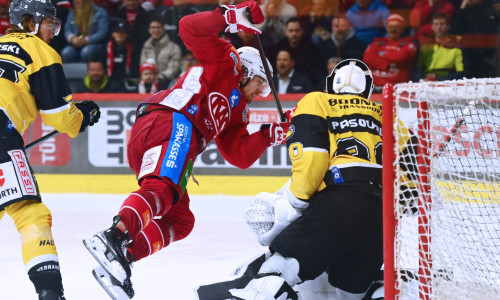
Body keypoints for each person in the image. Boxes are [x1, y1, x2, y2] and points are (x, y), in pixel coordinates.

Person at [82, 2, 290, 298]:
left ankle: (122, 257)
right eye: (260, 84)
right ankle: (113, 236)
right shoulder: (226, 60)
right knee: (162, 190)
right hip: (173, 122)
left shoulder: (238, 111)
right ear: (250, 70)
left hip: (162, 135)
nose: (261, 93)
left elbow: (239, 155)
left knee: (181, 221)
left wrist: (271, 134)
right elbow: (188, 29)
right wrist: (230, 16)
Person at [230, 59, 385, 300]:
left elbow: (312, 158)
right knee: (349, 293)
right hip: (380, 214)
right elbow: (409, 176)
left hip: (338, 203)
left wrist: (297, 200)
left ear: (333, 84)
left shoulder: (318, 100)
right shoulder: (387, 112)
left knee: (279, 269)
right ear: (367, 88)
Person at [0, 0, 100, 298]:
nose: (53, 31)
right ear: (29, 22)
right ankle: (50, 293)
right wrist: (83, 115)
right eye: (48, 23)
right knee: (30, 213)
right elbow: (60, 118)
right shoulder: (40, 51)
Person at [363, 13, 418, 87]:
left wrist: (380, 57)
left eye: (396, 27)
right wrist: (388, 65)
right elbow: (368, 57)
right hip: (374, 85)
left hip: (398, 86)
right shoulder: (378, 41)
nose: (393, 29)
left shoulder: (409, 42)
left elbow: (402, 57)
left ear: (402, 28)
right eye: (390, 27)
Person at [416, 12, 464, 81]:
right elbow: (417, 69)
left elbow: (461, 72)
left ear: (448, 26)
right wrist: (422, 79)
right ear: (432, 27)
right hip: (425, 82)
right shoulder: (425, 47)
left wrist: (440, 80)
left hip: (446, 83)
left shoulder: (456, 47)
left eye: (442, 24)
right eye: (436, 24)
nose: (439, 27)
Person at [140, 15, 182, 90]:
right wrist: (149, 76)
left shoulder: (174, 48)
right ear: (149, 30)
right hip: (148, 82)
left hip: (167, 83)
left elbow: (173, 69)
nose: (156, 30)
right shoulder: (146, 47)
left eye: (158, 27)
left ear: (163, 29)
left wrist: (159, 77)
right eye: (153, 28)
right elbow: (143, 65)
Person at [106, 19, 133, 92]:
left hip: (126, 81)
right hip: (109, 81)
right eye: (117, 32)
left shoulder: (132, 49)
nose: (120, 35)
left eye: (123, 32)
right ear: (113, 34)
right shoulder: (105, 49)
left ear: (127, 35)